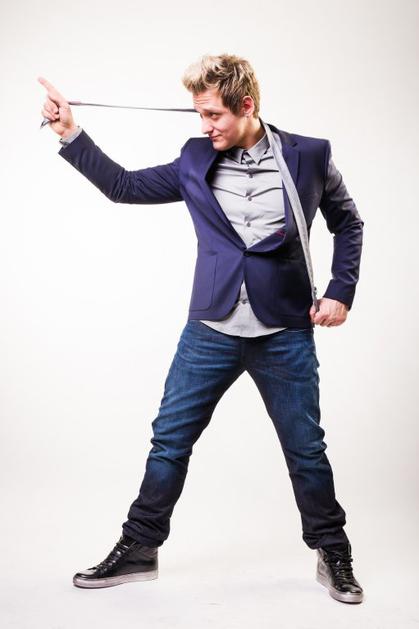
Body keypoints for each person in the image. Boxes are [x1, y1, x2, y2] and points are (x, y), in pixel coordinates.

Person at [38, 53, 364, 603]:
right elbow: (123, 186)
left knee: (306, 449)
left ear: (246, 105)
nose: (205, 125)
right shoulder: (194, 158)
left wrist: (340, 290)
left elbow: (348, 222)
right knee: (169, 441)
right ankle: (140, 547)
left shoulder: (310, 155)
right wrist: (70, 133)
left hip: (285, 330)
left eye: (214, 114)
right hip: (211, 327)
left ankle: (333, 552)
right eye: (199, 115)